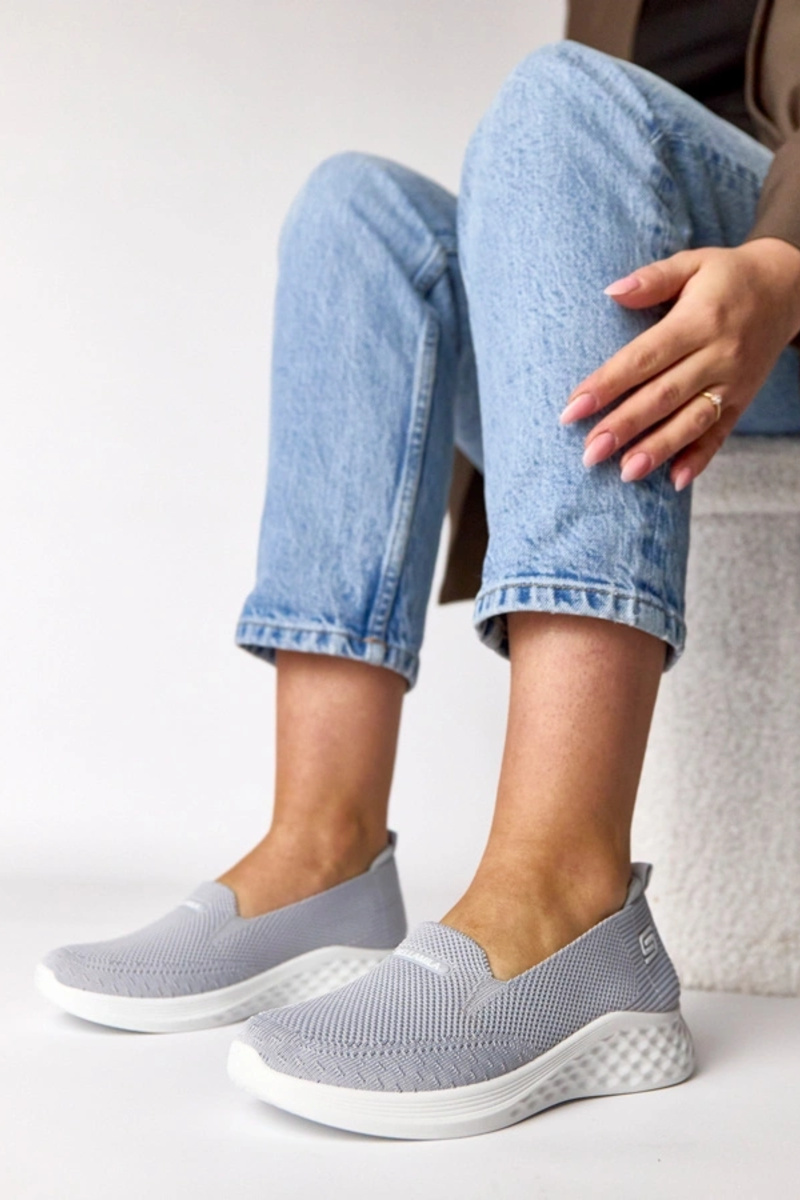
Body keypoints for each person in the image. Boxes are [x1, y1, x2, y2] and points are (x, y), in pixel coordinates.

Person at [36, 0, 800, 1139]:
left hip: (779, 295)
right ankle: (321, 856)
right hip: (664, 302)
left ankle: (563, 894)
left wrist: (782, 261)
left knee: (560, 107)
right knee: (356, 213)